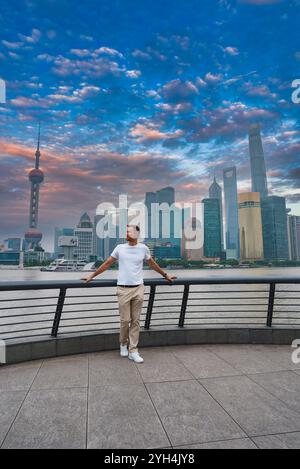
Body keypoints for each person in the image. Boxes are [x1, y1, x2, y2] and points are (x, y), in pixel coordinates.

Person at [81, 224, 177, 363]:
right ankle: (122, 344)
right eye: (126, 231)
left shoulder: (143, 248)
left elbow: (152, 264)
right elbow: (107, 263)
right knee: (125, 320)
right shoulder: (120, 248)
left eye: (130, 231)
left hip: (138, 288)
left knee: (136, 321)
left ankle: (133, 350)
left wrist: (166, 274)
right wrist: (92, 276)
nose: (127, 233)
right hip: (123, 289)